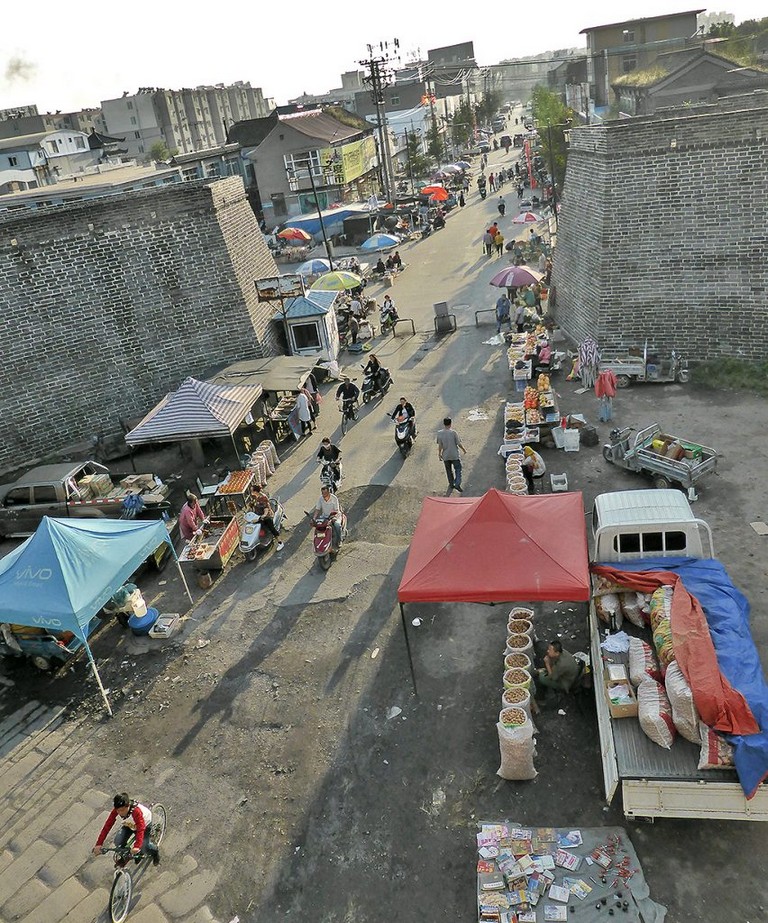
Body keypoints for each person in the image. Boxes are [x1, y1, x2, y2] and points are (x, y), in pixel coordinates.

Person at [92, 793, 160, 867]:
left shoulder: (136, 811)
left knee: (144, 846)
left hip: (144, 824)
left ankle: (155, 851)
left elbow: (141, 829)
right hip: (130, 824)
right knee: (118, 841)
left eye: (122, 810)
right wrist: (99, 844)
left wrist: (137, 846)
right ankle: (126, 856)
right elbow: (107, 826)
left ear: (128, 806)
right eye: (118, 811)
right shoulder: (116, 810)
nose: (120, 813)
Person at [247, 484, 284, 550]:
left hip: (266, 516)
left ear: (255, 491)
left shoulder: (263, 498)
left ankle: (280, 543)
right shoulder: (255, 497)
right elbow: (253, 504)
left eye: (252, 490)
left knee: (272, 528)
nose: (251, 491)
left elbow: (266, 508)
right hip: (258, 515)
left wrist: (263, 516)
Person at [436, 417, 466, 493]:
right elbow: (458, 443)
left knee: (449, 470)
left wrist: (439, 454)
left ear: (444, 424)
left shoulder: (439, 433)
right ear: (450, 423)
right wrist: (464, 450)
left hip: (446, 456)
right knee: (458, 469)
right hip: (454, 455)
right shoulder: (453, 433)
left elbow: (440, 445)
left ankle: (451, 484)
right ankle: (457, 483)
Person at [312, 484, 342, 550]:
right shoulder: (320, 499)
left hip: (334, 515)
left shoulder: (334, 498)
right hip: (325, 516)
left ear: (329, 492)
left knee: (337, 525)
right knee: (318, 527)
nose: (324, 495)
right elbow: (317, 509)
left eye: (325, 493)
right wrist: (314, 518)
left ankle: (339, 540)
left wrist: (334, 517)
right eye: (322, 493)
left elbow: (337, 510)